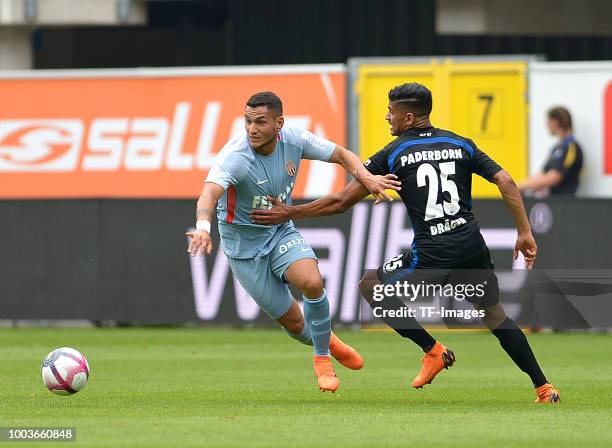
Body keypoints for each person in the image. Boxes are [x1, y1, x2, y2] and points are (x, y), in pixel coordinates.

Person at [251, 83, 561, 403]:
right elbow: (506, 180)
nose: (387, 117)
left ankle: (433, 351)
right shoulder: (461, 144)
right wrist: (524, 232)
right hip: (471, 247)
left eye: (392, 112)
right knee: (495, 315)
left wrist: (290, 212)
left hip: (431, 254)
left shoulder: (394, 153)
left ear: (409, 118)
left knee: (371, 286)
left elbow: (342, 201)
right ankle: (543, 386)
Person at [187, 91, 400, 393]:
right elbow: (208, 193)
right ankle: (330, 341)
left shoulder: (295, 140)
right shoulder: (235, 158)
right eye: (247, 121)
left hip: (280, 232)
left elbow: (341, 154)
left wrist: (367, 178)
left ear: (279, 123)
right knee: (296, 325)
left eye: (260, 122)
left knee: (312, 282)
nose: (251, 129)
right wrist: (203, 227)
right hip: (244, 249)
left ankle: (322, 358)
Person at [518, 107, 583, 196]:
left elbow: (554, 177)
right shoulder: (556, 148)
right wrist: (519, 186)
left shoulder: (571, 148)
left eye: (548, 121)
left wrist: (520, 186)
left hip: (563, 203)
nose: (547, 125)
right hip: (550, 202)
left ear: (555, 121)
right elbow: (541, 174)